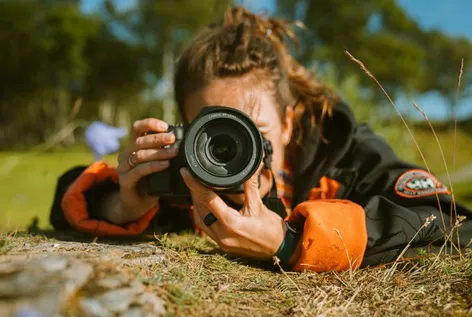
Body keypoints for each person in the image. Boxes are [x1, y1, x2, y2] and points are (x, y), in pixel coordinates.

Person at [50, 7, 472, 272]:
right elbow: (71, 191)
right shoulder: (182, 181)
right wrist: (123, 203)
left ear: (289, 124)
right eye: (215, 135)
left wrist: (289, 241)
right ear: (185, 130)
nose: (235, 156)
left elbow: (448, 220)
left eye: (255, 134)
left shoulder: (340, 151)